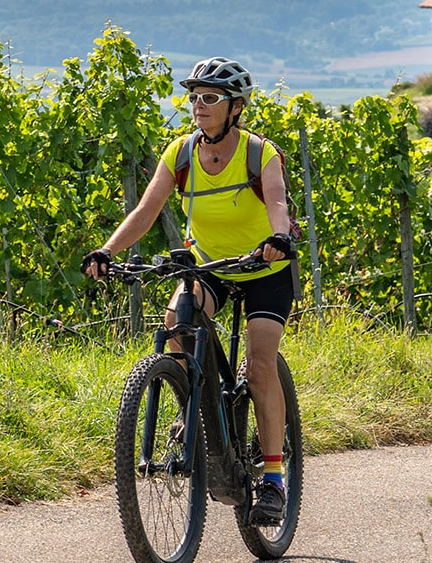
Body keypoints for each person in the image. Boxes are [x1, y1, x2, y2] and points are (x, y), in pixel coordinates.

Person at [81, 56, 296, 525]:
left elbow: (277, 201)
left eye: (210, 98)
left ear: (235, 107)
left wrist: (278, 238)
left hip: (264, 265)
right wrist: (107, 250)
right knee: (176, 323)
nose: (198, 105)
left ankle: (275, 479)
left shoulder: (260, 153)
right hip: (212, 265)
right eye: (194, 96)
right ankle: (193, 406)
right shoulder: (180, 153)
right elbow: (146, 210)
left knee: (260, 366)